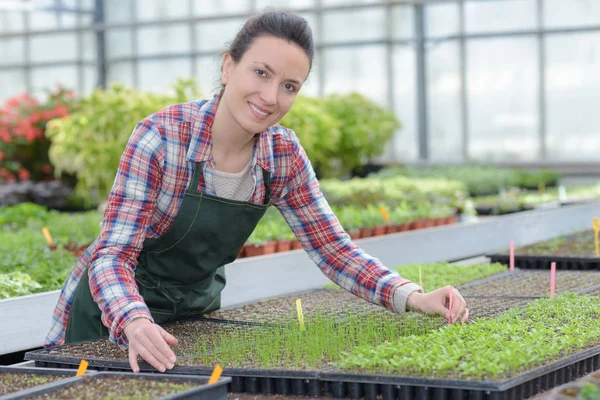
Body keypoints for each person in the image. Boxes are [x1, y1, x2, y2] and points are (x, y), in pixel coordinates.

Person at [45, 11, 469, 374]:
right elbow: (111, 257)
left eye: (289, 86)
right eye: (261, 73)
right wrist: (134, 322)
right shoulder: (161, 137)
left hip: (193, 319)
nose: (270, 97)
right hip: (110, 317)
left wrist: (413, 297)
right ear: (228, 67)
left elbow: (334, 251)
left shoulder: (282, 154)